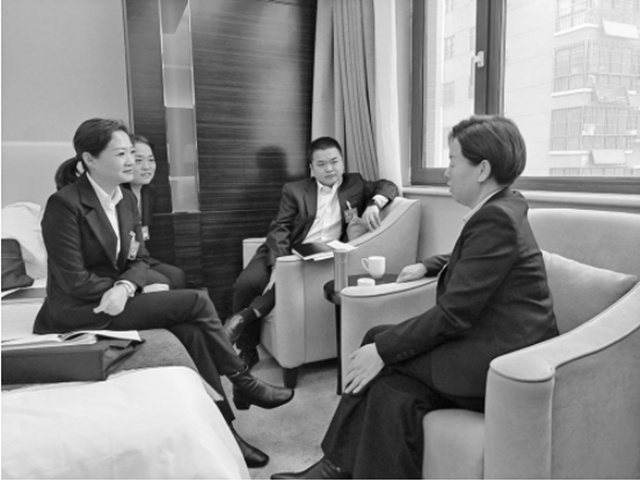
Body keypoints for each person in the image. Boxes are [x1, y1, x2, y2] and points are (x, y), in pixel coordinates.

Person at [270, 115, 559, 479]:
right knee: (392, 389)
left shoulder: (495, 219)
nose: (447, 172)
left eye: (453, 161)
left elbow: (454, 315)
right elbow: (476, 262)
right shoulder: (503, 206)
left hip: (501, 359)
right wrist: (428, 265)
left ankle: (333, 469)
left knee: (380, 349)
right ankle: (336, 468)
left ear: (482, 169)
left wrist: (383, 351)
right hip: (490, 340)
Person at [34, 118, 294, 469]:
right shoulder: (64, 205)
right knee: (196, 300)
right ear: (90, 160)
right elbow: (73, 281)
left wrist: (128, 285)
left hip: (117, 297)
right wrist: (125, 289)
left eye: (131, 152)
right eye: (121, 154)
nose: (131, 161)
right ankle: (241, 379)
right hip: (81, 310)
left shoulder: (125, 199)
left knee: (191, 333)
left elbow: (139, 258)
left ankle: (227, 430)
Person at [224, 136, 399, 369]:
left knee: (289, 282)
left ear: (343, 163)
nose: (329, 169)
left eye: (334, 162)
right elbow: (280, 227)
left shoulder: (355, 184)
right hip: (285, 250)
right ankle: (248, 348)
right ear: (311, 168)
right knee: (247, 283)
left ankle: (245, 317)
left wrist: (374, 204)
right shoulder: (295, 190)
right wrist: (279, 264)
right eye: (321, 164)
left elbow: (389, 186)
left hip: (319, 256)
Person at [124, 134, 187, 289]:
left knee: (177, 276)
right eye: (138, 160)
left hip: (139, 255)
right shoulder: (118, 194)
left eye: (151, 160)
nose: (147, 167)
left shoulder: (148, 192)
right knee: (162, 282)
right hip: (121, 262)